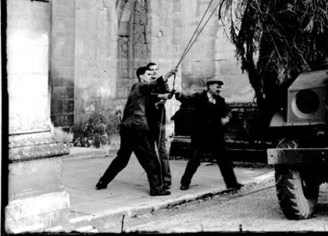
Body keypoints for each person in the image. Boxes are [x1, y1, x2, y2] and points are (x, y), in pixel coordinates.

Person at [95, 66, 176, 196]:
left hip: (128, 128)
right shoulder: (138, 86)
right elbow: (150, 88)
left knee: (122, 159)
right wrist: (166, 76)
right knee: (151, 158)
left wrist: (164, 95)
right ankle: (156, 189)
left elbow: (152, 95)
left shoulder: (141, 91)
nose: (151, 76)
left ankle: (103, 181)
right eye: (148, 74)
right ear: (141, 77)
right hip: (137, 128)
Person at [172, 77, 243, 191]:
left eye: (220, 86)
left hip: (216, 135)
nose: (219, 87)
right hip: (200, 135)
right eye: (217, 85)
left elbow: (228, 111)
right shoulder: (198, 97)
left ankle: (231, 183)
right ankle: (185, 182)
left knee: (224, 159)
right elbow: (186, 99)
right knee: (195, 159)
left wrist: (227, 118)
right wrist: (179, 94)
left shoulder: (220, 100)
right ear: (209, 86)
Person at [146, 62, 175, 189]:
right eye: (151, 70)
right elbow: (147, 95)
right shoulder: (145, 82)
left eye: (155, 70)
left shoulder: (162, 82)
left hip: (159, 120)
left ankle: (166, 179)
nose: (153, 72)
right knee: (150, 151)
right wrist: (167, 75)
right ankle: (156, 179)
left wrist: (167, 96)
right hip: (147, 122)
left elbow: (167, 93)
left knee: (162, 150)